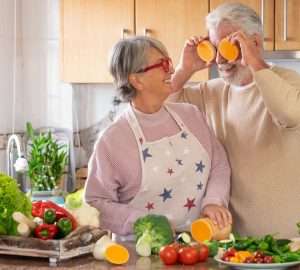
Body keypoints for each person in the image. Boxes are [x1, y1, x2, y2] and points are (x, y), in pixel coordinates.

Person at [171, 3, 300, 238]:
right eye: (214, 47)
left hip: (290, 240)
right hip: (233, 242)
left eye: (230, 47)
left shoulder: (288, 81)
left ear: (255, 43)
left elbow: (290, 114)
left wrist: (254, 62)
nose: (220, 59)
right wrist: (184, 69)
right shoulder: (212, 92)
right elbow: (160, 107)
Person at [84, 36, 231, 237]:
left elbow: (219, 164)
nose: (171, 70)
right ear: (137, 80)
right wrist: (143, 222)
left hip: (200, 247)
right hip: (141, 253)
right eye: (163, 64)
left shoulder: (191, 115)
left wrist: (214, 201)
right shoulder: (112, 141)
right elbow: (96, 203)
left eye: (169, 62)